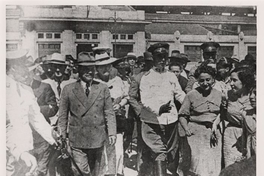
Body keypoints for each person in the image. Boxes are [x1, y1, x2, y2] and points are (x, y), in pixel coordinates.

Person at [58, 52, 116, 176]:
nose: (89, 72)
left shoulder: (102, 88)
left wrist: (112, 132)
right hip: (77, 138)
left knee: (97, 171)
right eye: (85, 69)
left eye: (91, 69)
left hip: (97, 138)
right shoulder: (68, 89)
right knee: (81, 171)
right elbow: (62, 116)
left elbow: (109, 112)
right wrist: (62, 136)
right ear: (78, 70)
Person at [6, 49, 56, 176]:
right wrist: (18, 151)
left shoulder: (26, 90)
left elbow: (37, 119)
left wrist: (53, 137)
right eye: (23, 66)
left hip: (26, 152)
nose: (27, 71)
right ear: (13, 68)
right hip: (8, 153)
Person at [138, 42, 186, 176]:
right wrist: (159, 109)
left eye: (165, 56)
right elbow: (145, 100)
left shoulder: (170, 75)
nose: (163, 60)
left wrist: (189, 103)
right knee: (159, 152)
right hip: (152, 122)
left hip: (170, 121)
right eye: (159, 56)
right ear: (153, 58)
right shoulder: (146, 78)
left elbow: (179, 94)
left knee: (168, 152)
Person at [178, 65, 222, 176]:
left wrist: (216, 125)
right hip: (196, 133)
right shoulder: (191, 95)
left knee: (213, 163)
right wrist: (186, 128)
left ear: (213, 79)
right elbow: (182, 115)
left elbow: (223, 113)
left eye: (208, 80)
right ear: (197, 81)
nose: (205, 83)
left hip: (214, 133)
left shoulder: (219, 94)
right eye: (201, 80)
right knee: (197, 165)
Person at [94, 52, 128, 176]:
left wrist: (119, 105)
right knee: (102, 154)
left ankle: (117, 173)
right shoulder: (93, 82)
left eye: (108, 65)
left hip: (116, 121)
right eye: (102, 66)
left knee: (117, 151)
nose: (106, 69)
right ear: (96, 68)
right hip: (99, 123)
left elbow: (126, 97)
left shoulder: (118, 80)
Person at [26, 59, 59, 176]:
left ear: (34, 72)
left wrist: (34, 109)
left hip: (41, 136)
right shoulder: (17, 89)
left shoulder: (44, 86)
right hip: (24, 136)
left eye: (29, 71)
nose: (25, 74)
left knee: (41, 169)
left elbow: (54, 108)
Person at [223, 67, 255, 167]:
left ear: (244, 82)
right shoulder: (228, 95)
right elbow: (222, 113)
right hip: (231, 135)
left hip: (251, 137)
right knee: (231, 167)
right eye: (230, 80)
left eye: (235, 80)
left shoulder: (254, 97)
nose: (231, 83)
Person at [128, 51, 154, 175]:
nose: (149, 65)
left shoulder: (160, 76)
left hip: (157, 115)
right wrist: (140, 112)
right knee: (142, 141)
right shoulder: (138, 78)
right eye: (147, 63)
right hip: (143, 116)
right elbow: (132, 97)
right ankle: (140, 167)